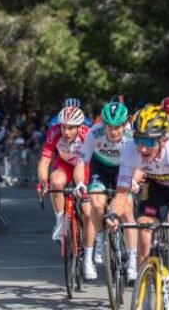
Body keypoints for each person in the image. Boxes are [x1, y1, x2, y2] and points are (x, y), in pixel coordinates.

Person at [107, 104, 169, 310]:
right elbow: (121, 194)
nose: (142, 148)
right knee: (144, 236)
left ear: (163, 138)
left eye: (148, 141)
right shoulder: (129, 152)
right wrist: (114, 215)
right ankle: (144, 300)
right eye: (138, 139)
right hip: (156, 189)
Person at [79, 102, 137, 281]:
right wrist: (80, 182)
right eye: (110, 127)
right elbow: (81, 162)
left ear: (125, 124)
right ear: (103, 124)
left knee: (127, 208)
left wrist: (134, 180)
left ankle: (133, 262)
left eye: (118, 127)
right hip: (100, 168)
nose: (114, 132)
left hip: (123, 169)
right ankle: (100, 237)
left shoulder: (131, 136)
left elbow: (139, 162)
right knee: (96, 203)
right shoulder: (94, 132)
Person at [37, 106, 92, 244]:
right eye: (63, 127)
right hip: (64, 162)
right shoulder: (54, 132)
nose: (66, 132)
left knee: (87, 211)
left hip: (83, 164)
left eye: (71, 128)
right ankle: (61, 221)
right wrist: (43, 182)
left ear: (80, 127)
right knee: (55, 181)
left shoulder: (88, 135)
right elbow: (44, 161)